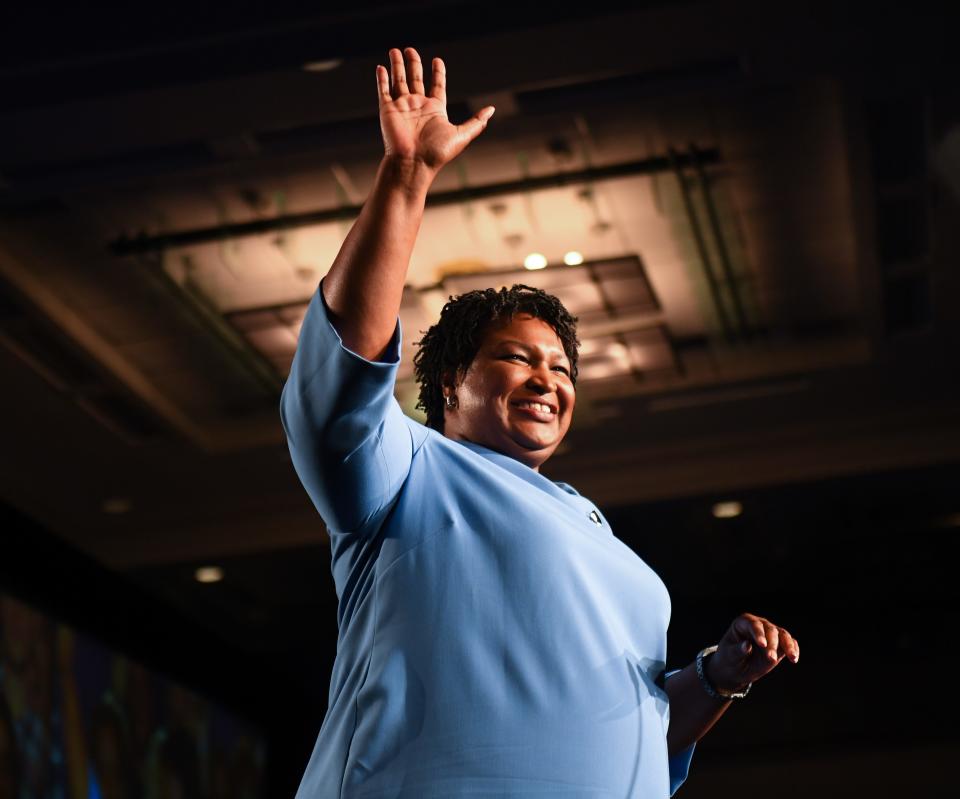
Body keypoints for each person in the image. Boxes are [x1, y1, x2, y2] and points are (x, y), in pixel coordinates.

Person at [281, 47, 800, 798]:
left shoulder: (595, 534)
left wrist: (718, 678)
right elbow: (344, 370)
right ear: (451, 384)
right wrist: (407, 178)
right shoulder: (408, 469)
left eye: (560, 368)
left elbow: (639, 723)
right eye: (518, 359)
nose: (547, 381)